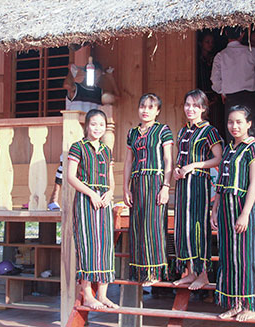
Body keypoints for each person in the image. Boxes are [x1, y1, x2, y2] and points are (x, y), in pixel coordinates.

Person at [211, 105, 255, 322]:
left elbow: (254, 183)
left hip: (242, 207)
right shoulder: (229, 149)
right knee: (228, 257)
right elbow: (221, 183)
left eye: (239, 122)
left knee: (243, 258)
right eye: (231, 122)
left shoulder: (254, 148)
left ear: (249, 124)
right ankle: (235, 303)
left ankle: (251, 305)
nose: (234, 126)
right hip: (224, 209)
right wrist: (214, 209)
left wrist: (245, 214)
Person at [47, 58, 119, 211]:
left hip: (93, 137)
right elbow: (67, 85)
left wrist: (110, 77)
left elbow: (115, 97)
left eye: (97, 75)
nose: (95, 77)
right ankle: (54, 198)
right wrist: (71, 71)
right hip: (74, 131)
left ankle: (85, 197)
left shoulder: (99, 92)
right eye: (92, 74)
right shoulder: (77, 88)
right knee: (64, 164)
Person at [173, 89, 223, 290]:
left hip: (199, 183)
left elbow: (218, 158)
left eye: (195, 105)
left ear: (203, 108)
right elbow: (181, 157)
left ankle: (203, 274)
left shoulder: (209, 131)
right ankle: (190, 271)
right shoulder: (183, 130)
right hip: (183, 184)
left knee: (197, 226)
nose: (190, 109)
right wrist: (178, 169)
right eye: (187, 104)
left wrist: (193, 166)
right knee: (182, 226)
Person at [67, 109, 117, 309]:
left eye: (101, 125)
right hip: (86, 201)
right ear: (87, 126)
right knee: (87, 245)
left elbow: (111, 179)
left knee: (105, 245)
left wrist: (110, 193)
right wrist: (91, 194)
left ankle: (103, 295)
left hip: (104, 202)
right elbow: (71, 177)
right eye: (94, 124)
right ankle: (87, 294)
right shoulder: (77, 147)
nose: (98, 128)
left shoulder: (106, 150)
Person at [123, 93, 173, 286]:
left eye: (151, 107)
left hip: (155, 181)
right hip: (137, 182)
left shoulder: (163, 130)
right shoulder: (132, 133)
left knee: (153, 226)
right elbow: (129, 162)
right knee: (137, 225)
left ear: (158, 111)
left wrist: (166, 186)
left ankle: (155, 271)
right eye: (142, 106)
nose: (145, 110)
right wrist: (125, 188)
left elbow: (168, 160)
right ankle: (139, 270)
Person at [211, 26, 255, 144]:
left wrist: (222, 91)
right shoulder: (252, 52)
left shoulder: (220, 56)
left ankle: (235, 158)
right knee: (252, 130)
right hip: (250, 97)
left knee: (233, 130)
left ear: (225, 33)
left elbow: (215, 80)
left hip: (231, 98)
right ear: (242, 34)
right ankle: (254, 159)